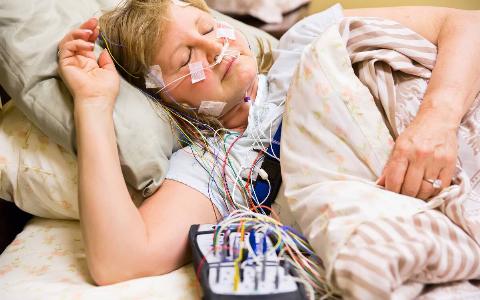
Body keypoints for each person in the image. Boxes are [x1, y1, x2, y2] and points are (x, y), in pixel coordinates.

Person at [57, 0, 480, 287]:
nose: (214, 47)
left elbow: (464, 24)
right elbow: (120, 261)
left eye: (207, 28)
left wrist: (437, 120)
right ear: (162, 97)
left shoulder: (306, 43)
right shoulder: (216, 165)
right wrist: (93, 102)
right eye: (187, 59)